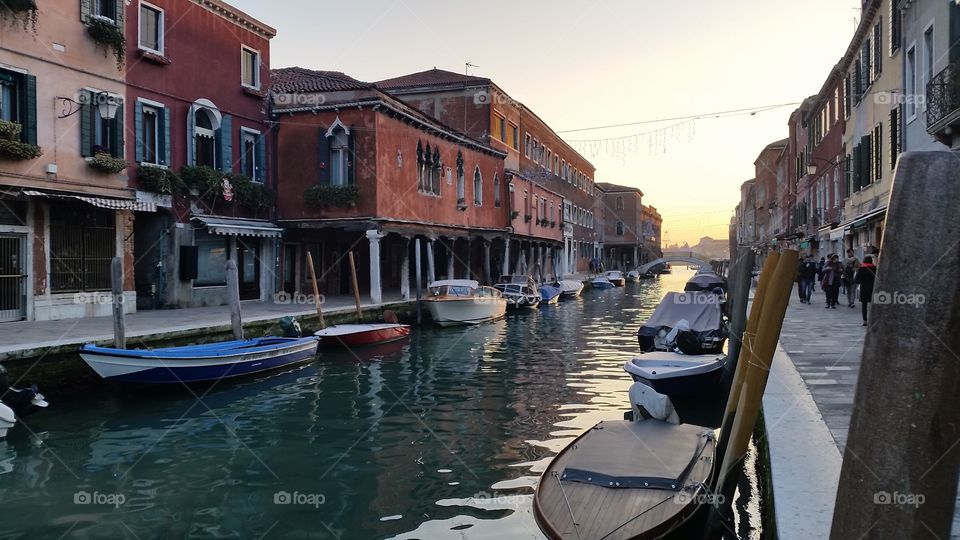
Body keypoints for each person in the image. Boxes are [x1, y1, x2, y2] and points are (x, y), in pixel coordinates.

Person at [854, 255, 877, 326]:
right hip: (873, 288)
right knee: (873, 305)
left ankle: (865, 321)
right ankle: (873, 320)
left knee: (864, 305)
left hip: (864, 289)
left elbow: (856, 280)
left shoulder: (861, 269)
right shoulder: (875, 269)